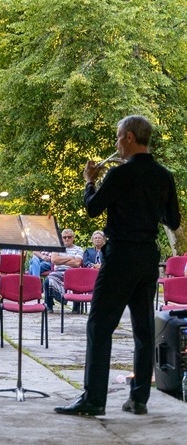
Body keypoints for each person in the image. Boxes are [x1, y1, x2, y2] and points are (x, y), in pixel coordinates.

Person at [55, 115, 180, 417]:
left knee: (99, 326)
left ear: (128, 138)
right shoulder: (164, 176)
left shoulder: (119, 175)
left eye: (117, 136)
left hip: (120, 255)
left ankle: (94, 398)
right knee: (143, 329)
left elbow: (92, 208)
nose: (115, 142)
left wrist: (89, 181)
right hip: (147, 257)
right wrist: (149, 209)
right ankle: (139, 399)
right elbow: (172, 220)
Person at [43, 229, 83, 313]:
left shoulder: (78, 249)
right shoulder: (57, 248)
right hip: (58, 272)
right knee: (47, 281)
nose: (67, 239)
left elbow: (77, 264)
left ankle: (76, 308)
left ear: (73, 238)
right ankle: (49, 306)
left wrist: (61, 259)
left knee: (78, 281)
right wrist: (70, 258)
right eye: (64, 237)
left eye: (69, 237)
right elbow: (54, 260)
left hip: (73, 272)